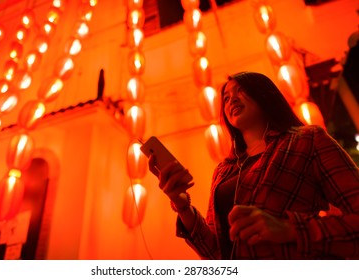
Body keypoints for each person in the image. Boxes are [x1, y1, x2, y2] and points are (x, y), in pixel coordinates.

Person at [148, 71, 359, 259]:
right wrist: (182, 205)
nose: (231, 100)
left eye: (240, 91)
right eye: (226, 98)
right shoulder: (223, 171)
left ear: (265, 94)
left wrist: (290, 229)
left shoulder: (308, 140)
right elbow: (217, 254)